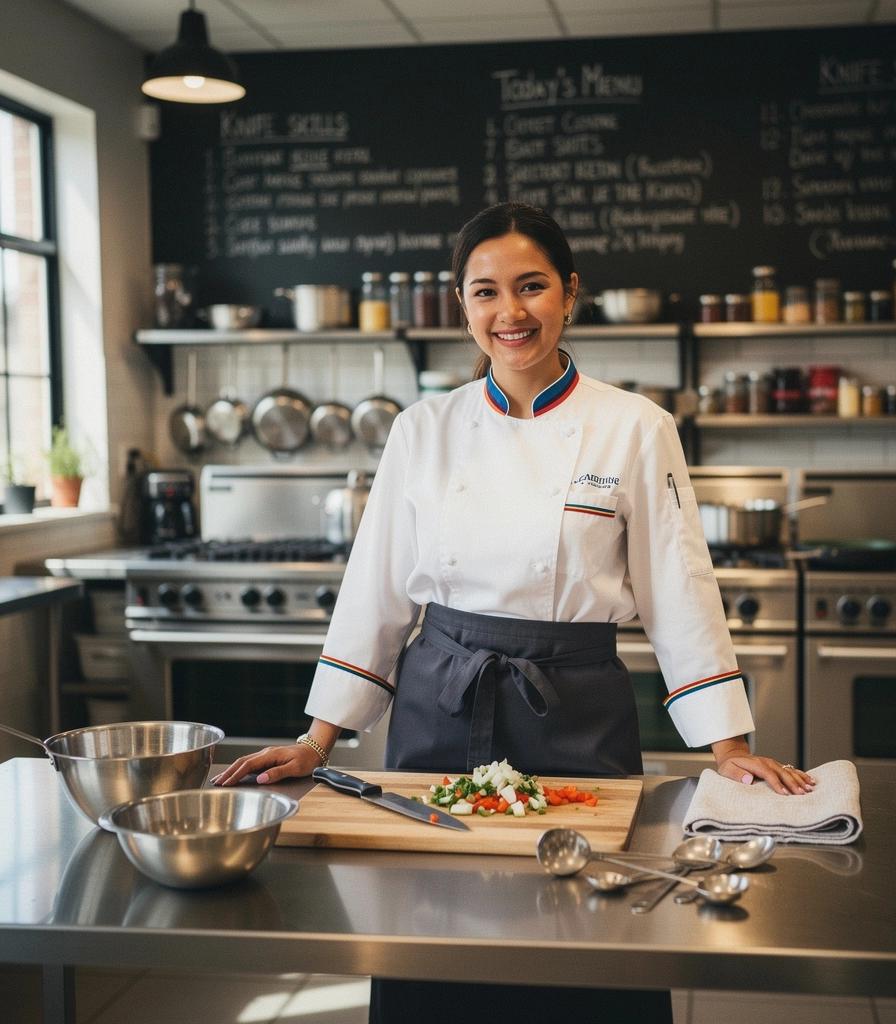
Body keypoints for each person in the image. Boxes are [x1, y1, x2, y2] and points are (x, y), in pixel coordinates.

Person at [214, 202, 815, 1022]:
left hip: (575, 706)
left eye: (531, 287)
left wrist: (729, 743)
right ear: (461, 305)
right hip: (439, 706)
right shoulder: (422, 431)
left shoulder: (635, 428)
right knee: (432, 940)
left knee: (589, 941)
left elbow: (679, 582)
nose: (510, 313)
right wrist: (319, 739)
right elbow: (376, 589)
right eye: (486, 292)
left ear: (570, 292)